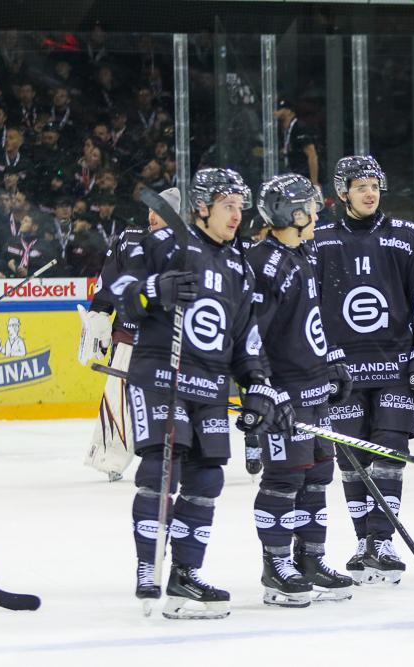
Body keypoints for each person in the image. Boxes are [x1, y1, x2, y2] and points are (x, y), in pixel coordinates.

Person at [111, 168, 291, 619]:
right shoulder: (165, 243)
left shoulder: (239, 266)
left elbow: (245, 337)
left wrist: (258, 385)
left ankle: (185, 575)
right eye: (227, 206)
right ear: (203, 207)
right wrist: (155, 290)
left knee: (207, 480)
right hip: (162, 376)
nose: (236, 215)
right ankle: (148, 566)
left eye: (239, 207)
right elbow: (119, 290)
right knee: (161, 469)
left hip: (209, 384)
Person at [311, 155, 414, 585]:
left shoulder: (405, 236)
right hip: (342, 367)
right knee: (352, 456)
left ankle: (381, 541)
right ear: (342, 192)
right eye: (360, 186)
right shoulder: (320, 240)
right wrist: (317, 359)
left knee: (390, 450)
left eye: (374, 186)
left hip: (395, 363)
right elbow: (309, 306)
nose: (370, 193)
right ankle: (363, 540)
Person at [245, 174, 355, 606]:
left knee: (317, 475)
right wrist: (265, 390)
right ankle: (275, 567)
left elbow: (313, 321)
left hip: (314, 389)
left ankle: (310, 559)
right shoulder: (264, 264)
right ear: (292, 214)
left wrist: (333, 361)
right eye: (310, 206)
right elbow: (251, 337)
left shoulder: (303, 253)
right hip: (285, 391)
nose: (317, 211)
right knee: (283, 478)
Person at [79, 187, 179, 482]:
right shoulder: (130, 238)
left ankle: (180, 455)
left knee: (170, 403)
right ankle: (110, 457)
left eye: (159, 211)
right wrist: (99, 315)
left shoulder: (189, 246)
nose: (152, 216)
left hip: (169, 340)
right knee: (118, 397)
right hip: (129, 334)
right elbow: (109, 281)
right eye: (150, 210)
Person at [274, 99, 320, 190]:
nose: (275, 112)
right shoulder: (284, 129)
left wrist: (314, 182)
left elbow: (312, 155)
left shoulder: (299, 127)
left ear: (288, 111)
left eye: (280, 109)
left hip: (304, 177)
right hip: (292, 174)